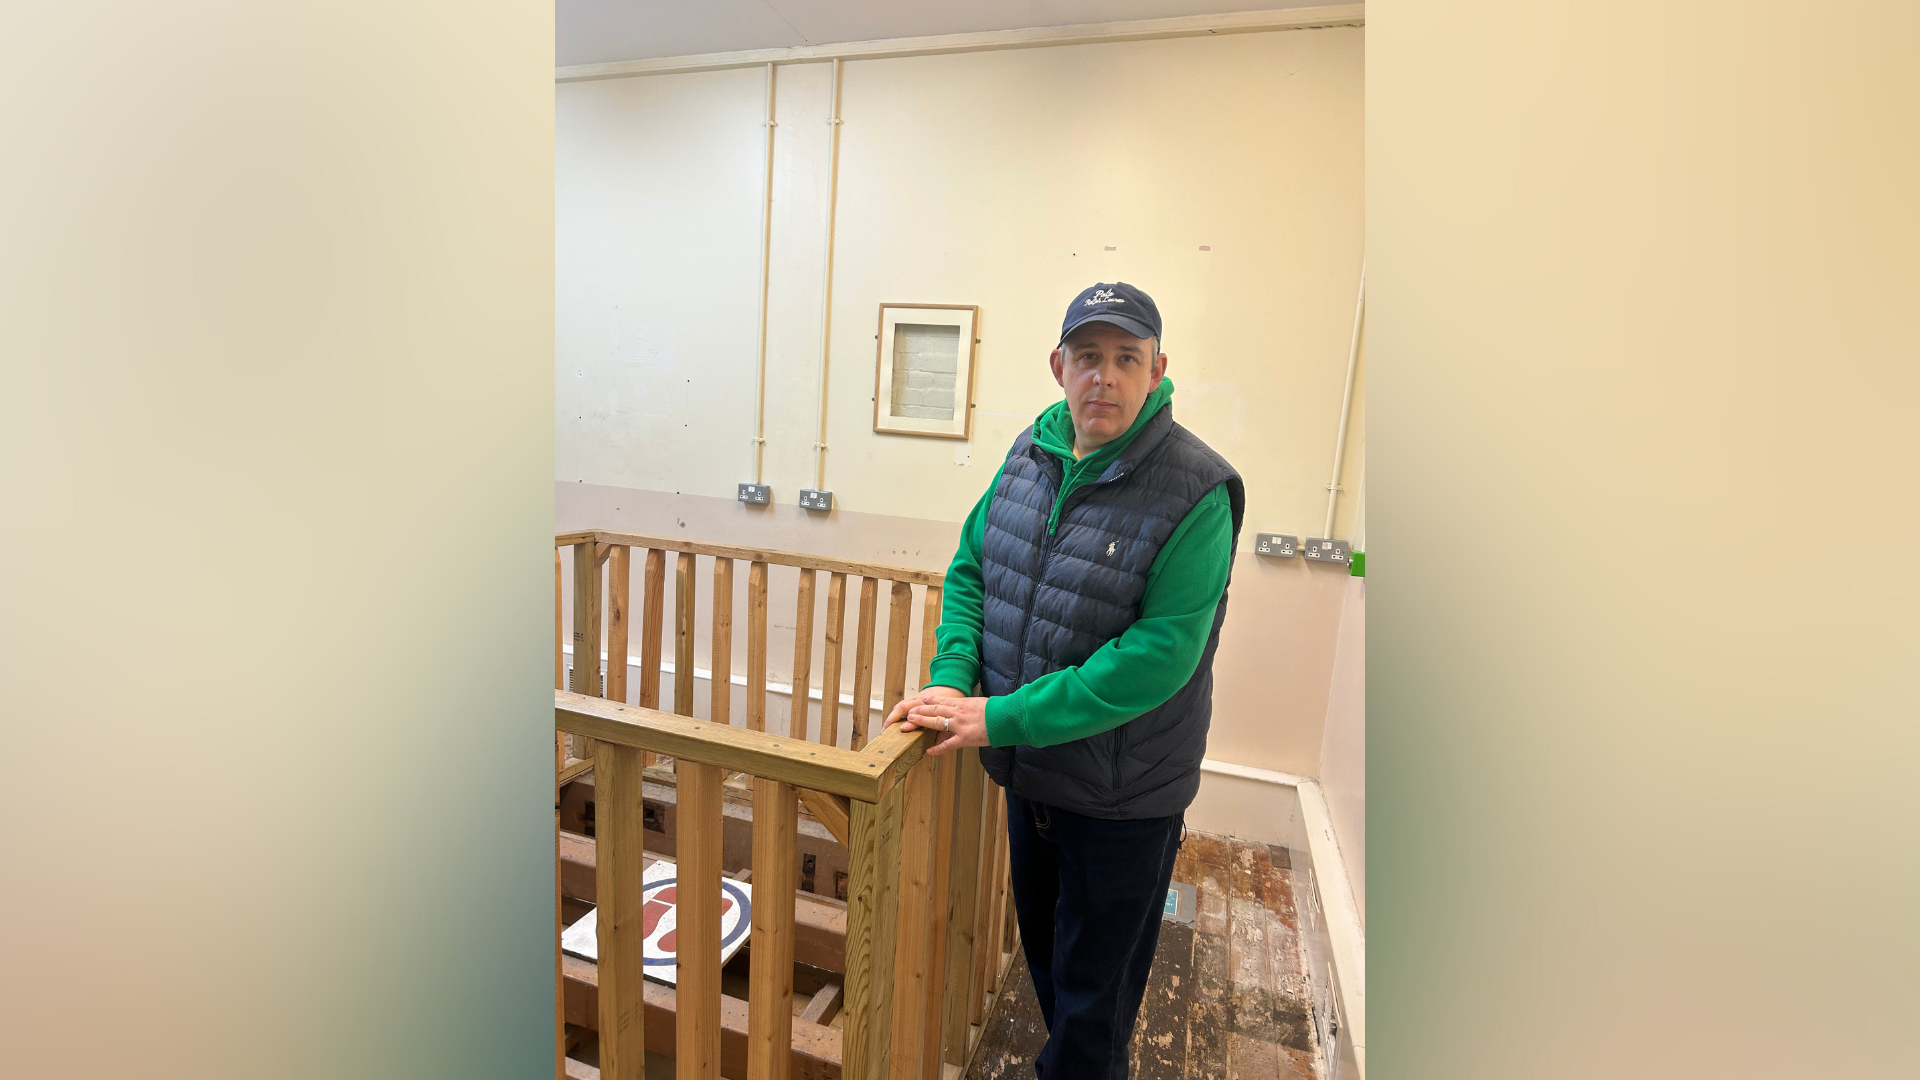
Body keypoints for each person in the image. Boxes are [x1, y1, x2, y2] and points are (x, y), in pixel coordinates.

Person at [882, 281, 1244, 1079]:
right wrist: (952, 680)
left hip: (1124, 798)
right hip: (1034, 778)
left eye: (1125, 358)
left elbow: (1159, 655)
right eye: (1088, 357)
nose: (1103, 377)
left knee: (1094, 1006)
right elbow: (973, 568)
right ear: (1059, 365)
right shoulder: (1031, 452)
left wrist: (1002, 715)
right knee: (1048, 963)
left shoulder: (1198, 489)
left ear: (1158, 370)